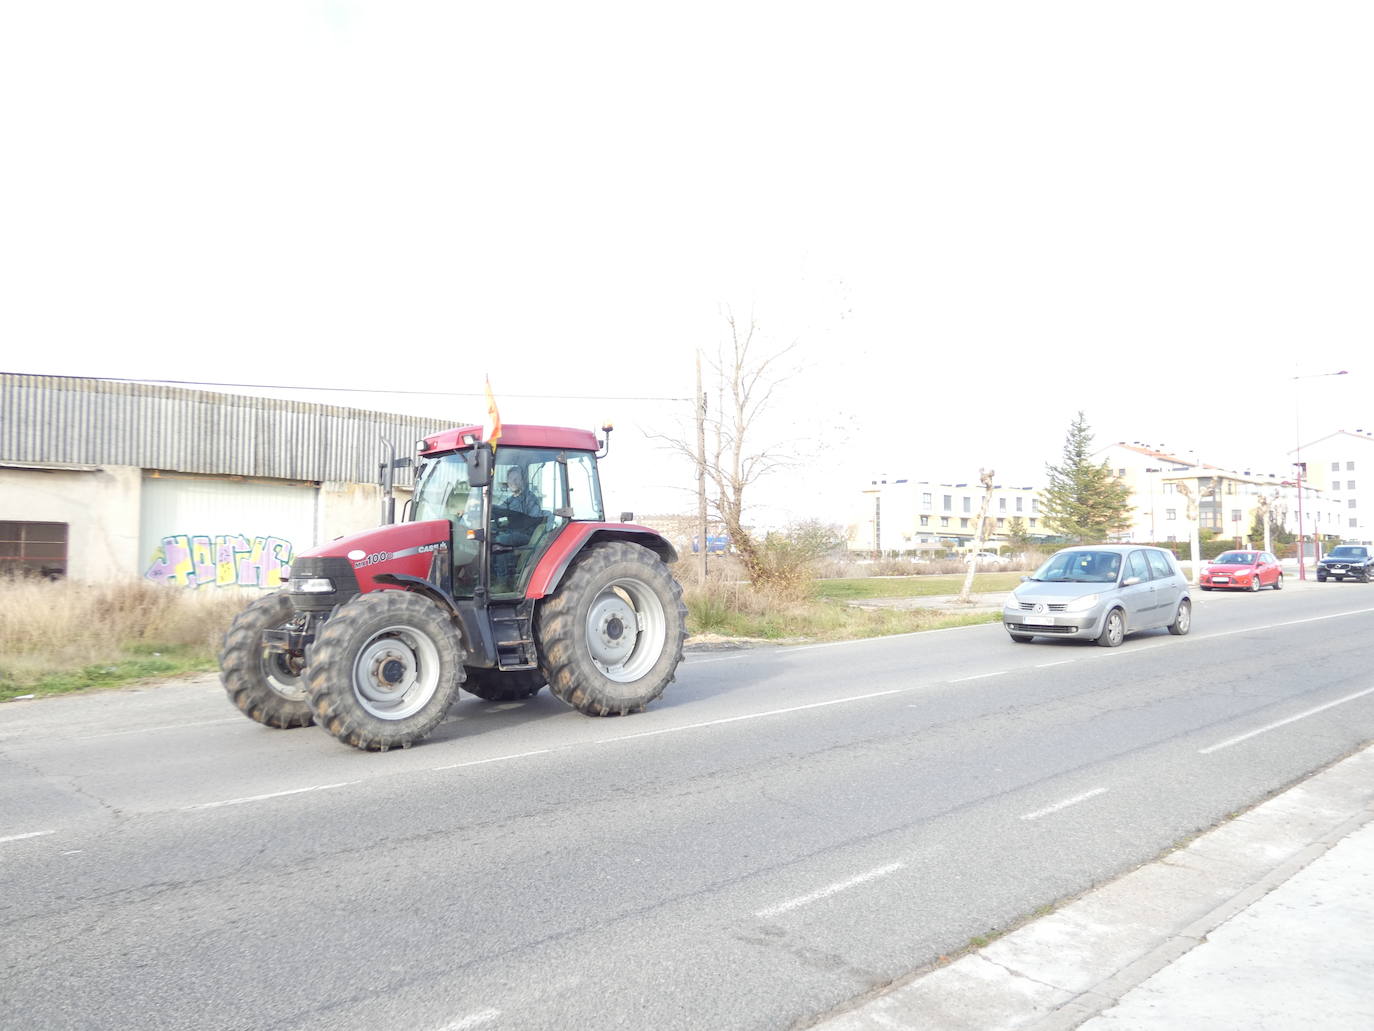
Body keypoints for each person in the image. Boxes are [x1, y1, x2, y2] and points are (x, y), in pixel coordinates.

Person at [492, 467, 545, 588]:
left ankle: (502, 583)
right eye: (510, 479)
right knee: (489, 537)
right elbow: (500, 510)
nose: (513, 482)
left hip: (527, 535)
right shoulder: (510, 500)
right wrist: (485, 508)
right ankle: (492, 578)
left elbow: (533, 518)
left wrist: (510, 512)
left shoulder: (530, 499)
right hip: (513, 533)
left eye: (516, 478)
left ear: (523, 480)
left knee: (501, 541)